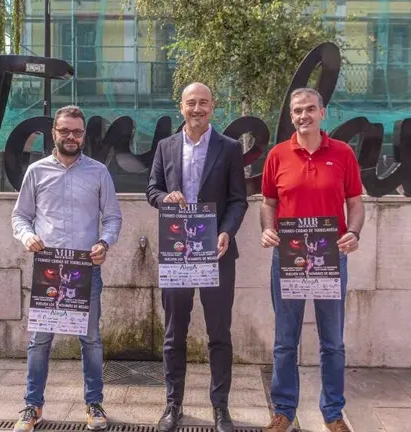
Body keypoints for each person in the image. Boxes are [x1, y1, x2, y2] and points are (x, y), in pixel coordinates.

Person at [11, 105, 123, 432]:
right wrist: (27, 236)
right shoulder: (36, 172)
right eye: (65, 131)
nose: (70, 137)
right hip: (48, 269)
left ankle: (94, 404)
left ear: (84, 135)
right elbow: (20, 215)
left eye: (76, 132)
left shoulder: (99, 172)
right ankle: (32, 407)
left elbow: (113, 216)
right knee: (39, 341)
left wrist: (104, 242)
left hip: (85, 270)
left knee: (90, 340)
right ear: (54, 133)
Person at [259, 88, 365, 432]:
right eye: (296, 111)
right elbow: (268, 203)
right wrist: (266, 229)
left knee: (332, 341)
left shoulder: (343, 154)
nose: (302, 116)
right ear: (291, 116)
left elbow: (355, 201)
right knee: (285, 340)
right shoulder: (277, 155)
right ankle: (283, 411)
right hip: (287, 258)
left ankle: (333, 412)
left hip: (330, 258)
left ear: (323, 112)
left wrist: (355, 232)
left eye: (309, 109)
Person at [146, 82, 248, 432]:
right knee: (175, 333)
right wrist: (164, 200)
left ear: (213, 107)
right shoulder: (166, 146)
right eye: (191, 103)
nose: (197, 109)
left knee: (219, 333)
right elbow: (152, 190)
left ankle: (221, 408)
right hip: (177, 254)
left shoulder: (230, 148)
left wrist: (227, 231)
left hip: (216, 252)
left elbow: (238, 200)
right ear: (181, 107)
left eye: (204, 103)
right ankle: (173, 406)